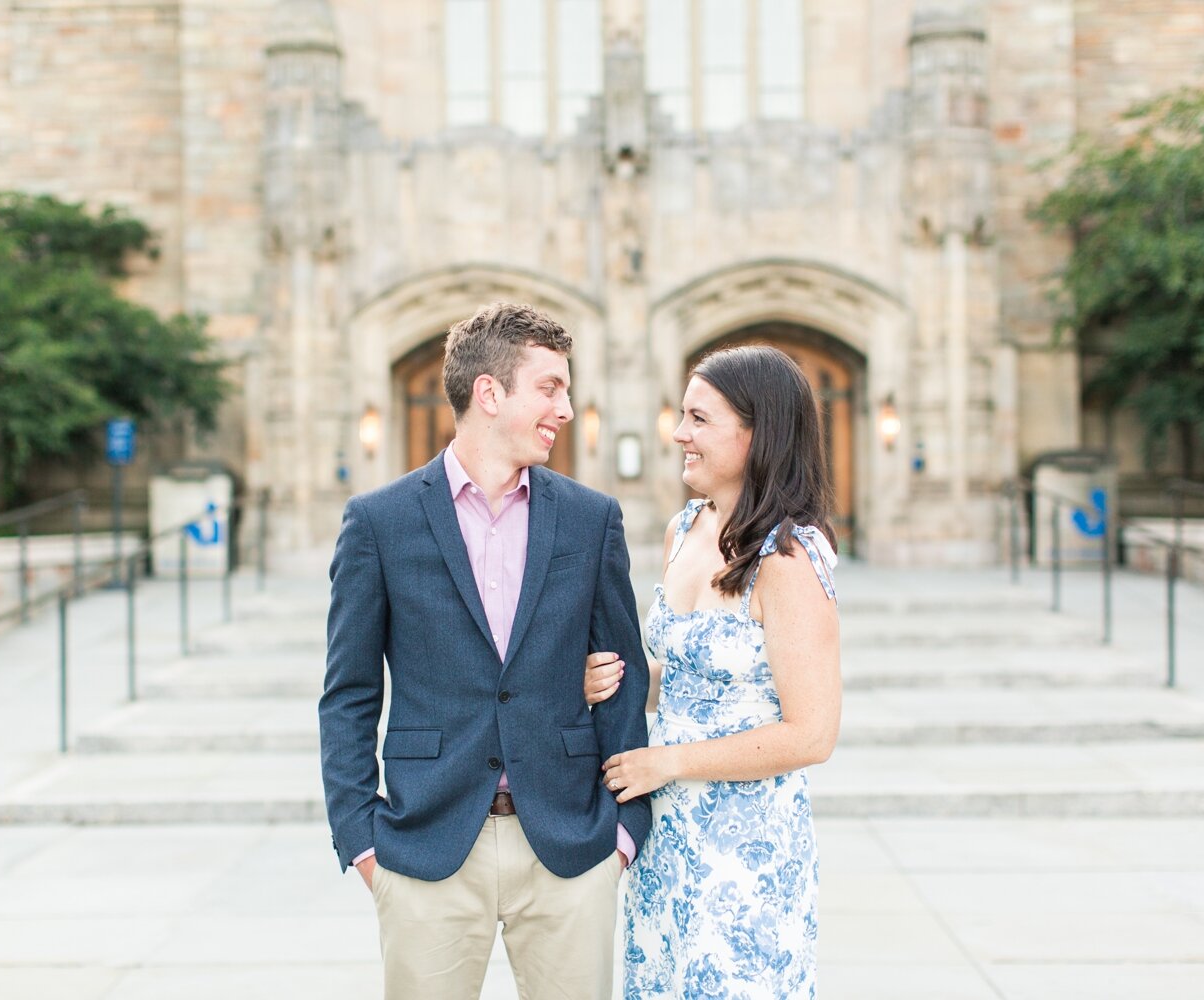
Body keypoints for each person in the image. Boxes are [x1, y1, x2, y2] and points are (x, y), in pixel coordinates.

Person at [321, 302, 652, 1000]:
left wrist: (623, 833)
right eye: (550, 387)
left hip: (569, 848)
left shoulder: (593, 520)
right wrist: (361, 838)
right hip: (426, 848)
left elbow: (621, 674)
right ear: (490, 393)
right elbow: (348, 694)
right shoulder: (378, 523)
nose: (565, 406)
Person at [585, 345, 841, 999]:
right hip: (666, 834)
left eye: (699, 419)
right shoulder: (684, 529)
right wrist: (606, 677)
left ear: (755, 433)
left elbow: (812, 734)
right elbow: (683, 676)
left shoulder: (786, 559)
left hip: (746, 849)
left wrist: (668, 762)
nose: (678, 434)